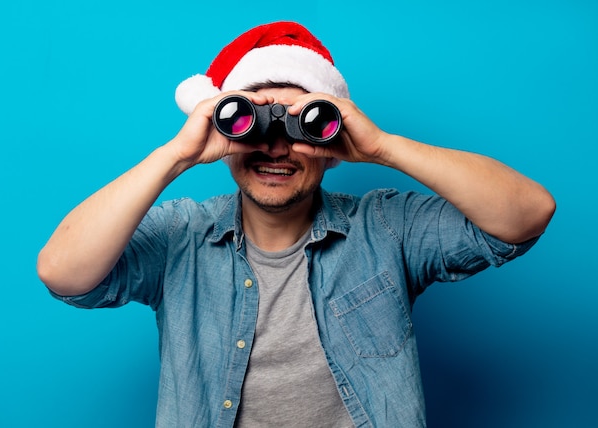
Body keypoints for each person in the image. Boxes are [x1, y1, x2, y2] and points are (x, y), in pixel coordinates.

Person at [37, 21, 555, 427]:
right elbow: (63, 272)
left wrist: (381, 147)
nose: (276, 146)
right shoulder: (183, 236)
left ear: (332, 149)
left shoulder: (385, 227)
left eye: (302, 124)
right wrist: (178, 154)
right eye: (252, 123)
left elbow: (529, 213)